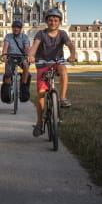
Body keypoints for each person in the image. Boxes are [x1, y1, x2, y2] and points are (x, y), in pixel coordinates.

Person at [26, 8, 76, 137]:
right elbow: (34, 47)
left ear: (59, 22)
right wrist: (30, 56)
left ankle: (62, 98)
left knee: (63, 69)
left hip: (57, 61)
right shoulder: (40, 34)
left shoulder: (62, 34)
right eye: (50, 20)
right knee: (41, 94)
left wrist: (72, 54)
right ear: (46, 21)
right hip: (42, 63)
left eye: (55, 20)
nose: (53, 22)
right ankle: (39, 123)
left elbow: (70, 45)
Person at [0, 20, 31, 102]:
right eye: (14, 27)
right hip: (11, 56)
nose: (16, 29)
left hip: (21, 57)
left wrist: (27, 57)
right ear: (12, 28)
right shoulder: (8, 36)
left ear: (21, 29)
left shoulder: (24, 37)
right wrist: (4, 55)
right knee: (8, 73)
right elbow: (5, 47)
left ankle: (23, 86)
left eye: (18, 28)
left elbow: (27, 48)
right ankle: (7, 89)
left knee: (26, 65)